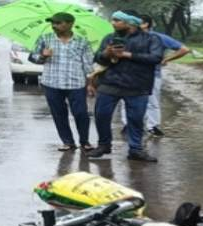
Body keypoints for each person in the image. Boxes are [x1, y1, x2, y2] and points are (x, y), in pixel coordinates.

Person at [86, 10, 164, 162]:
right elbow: (98, 59)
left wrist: (127, 55)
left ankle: (135, 149)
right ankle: (104, 145)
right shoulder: (109, 38)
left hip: (138, 84)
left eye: (117, 20)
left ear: (130, 22)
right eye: (113, 20)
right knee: (101, 115)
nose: (113, 23)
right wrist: (106, 54)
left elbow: (156, 58)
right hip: (110, 82)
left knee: (135, 119)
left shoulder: (151, 38)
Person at [29, 12, 95, 152]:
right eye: (53, 23)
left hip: (76, 84)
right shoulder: (45, 38)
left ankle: (85, 141)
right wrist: (43, 56)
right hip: (52, 83)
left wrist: (90, 84)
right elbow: (33, 57)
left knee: (81, 113)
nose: (54, 25)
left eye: (58, 23)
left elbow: (88, 64)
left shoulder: (82, 41)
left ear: (70, 24)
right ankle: (68, 142)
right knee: (58, 114)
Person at [119, 15, 190, 137]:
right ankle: (131, 125)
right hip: (130, 73)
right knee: (127, 100)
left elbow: (184, 49)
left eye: (135, 22)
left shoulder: (158, 37)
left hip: (152, 73)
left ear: (145, 24)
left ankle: (151, 126)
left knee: (151, 101)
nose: (131, 24)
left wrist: (167, 59)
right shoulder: (127, 36)